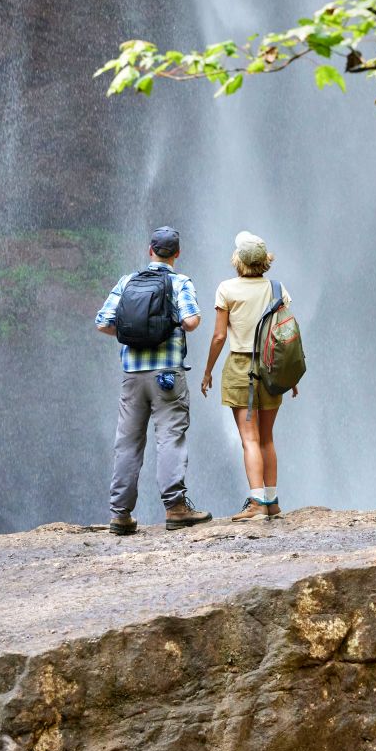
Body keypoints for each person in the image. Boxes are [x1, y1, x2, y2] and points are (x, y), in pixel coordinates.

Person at [94, 226, 213, 535]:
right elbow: (191, 321)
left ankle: (120, 514)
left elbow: (103, 323)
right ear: (177, 253)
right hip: (168, 376)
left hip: (133, 375)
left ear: (150, 251)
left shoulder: (127, 281)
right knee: (170, 438)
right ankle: (175, 509)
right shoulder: (179, 282)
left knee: (128, 442)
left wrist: (134, 333)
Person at [200, 231, 297, 521]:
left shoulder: (226, 289)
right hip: (271, 368)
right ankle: (272, 501)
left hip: (241, 368)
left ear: (238, 261)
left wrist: (207, 371)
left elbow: (219, 336)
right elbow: (286, 336)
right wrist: (292, 376)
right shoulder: (278, 289)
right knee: (267, 437)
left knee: (249, 439)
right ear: (264, 261)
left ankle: (256, 503)